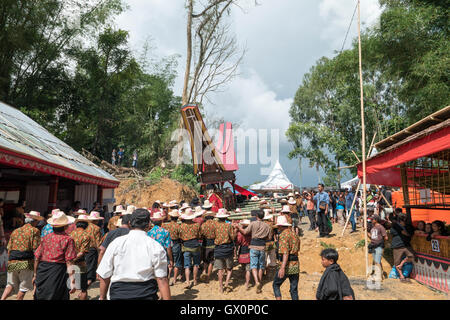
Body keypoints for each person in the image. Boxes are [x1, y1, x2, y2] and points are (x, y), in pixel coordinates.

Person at [96, 209, 170, 300]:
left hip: (118, 294)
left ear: (130, 223)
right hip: (146, 294)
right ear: (149, 225)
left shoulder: (116, 243)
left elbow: (104, 275)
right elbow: (162, 279)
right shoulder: (155, 246)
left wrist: (102, 297)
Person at [33, 211, 77, 300]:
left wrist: (35, 274)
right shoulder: (68, 239)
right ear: (66, 226)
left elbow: (37, 257)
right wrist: (72, 282)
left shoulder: (45, 238)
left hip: (43, 271)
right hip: (57, 272)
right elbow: (69, 262)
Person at [1, 211, 42, 300]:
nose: (37, 223)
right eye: (37, 221)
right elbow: (36, 247)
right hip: (26, 262)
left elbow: (9, 248)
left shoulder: (15, 231)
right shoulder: (34, 230)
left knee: (10, 285)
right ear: (34, 221)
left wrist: (10, 261)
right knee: (23, 288)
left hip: (12, 261)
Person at [235, 209, 272, 294]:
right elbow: (269, 238)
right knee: (261, 266)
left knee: (254, 266)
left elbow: (244, 232)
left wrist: (238, 227)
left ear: (256, 216)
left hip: (253, 246)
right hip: (262, 246)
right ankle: (260, 282)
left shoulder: (253, 223)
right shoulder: (267, 226)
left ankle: (256, 282)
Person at [272, 215, 301, 300]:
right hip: (295, 264)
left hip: (286, 264)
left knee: (276, 284)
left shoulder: (283, 235)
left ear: (280, 226)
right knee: (294, 289)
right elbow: (297, 249)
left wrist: (282, 268)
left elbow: (285, 253)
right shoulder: (294, 234)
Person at [69, 215, 93, 300]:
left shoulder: (70, 234)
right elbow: (82, 252)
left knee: (68, 287)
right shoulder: (86, 235)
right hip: (80, 263)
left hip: (68, 263)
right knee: (83, 289)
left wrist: (70, 261)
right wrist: (74, 259)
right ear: (86, 226)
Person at [213, 208, 236, 293]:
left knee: (220, 269)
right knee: (229, 268)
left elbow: (212, 236)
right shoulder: (229, 226)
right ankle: (226, 283)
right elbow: (233, 237)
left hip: (218, 248)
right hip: (227, 248)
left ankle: (221, 287)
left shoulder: (215, 225)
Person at [179, 208, 202, 288]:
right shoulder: (196, 225)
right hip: (195, 245)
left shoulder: (181, 226)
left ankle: (188, 281)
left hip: (186, 246)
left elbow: (180, 236)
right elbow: (199, 235)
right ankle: (195, 280)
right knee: (196, 264)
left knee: (187, 265)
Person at [163, 209, 182, 286]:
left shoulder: (165, 225)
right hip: (176, 243)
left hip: (167, 244)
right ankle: (174, 279)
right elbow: (181, 236)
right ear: (177, 218)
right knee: (176, 262)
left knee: (169, 262)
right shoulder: (178, 226)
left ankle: (168, 277)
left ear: (171, 217)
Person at [85, 211, 103, 288]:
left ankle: (83, 279)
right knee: (91, 265)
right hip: (92, 248)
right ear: (96, 220)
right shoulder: (97, 228)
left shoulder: (85, 226)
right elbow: (98, 241)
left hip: (84, 247)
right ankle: (89, 280)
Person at [368, 215, 388, 282]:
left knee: (377, 261)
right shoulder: (373, 228)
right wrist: (367, 233)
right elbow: (372, 237)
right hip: (373, 246)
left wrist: (381, 243)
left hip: (379, 246)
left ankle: (378, 276)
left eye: (372, 219)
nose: (371, 220)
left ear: (376, 220)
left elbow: (385, 237)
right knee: (377, 261)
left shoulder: (381, 227)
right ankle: (380, 275)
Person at [199, 208, 216, 283]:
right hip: (213, 244)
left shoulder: (203, 225)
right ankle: (208, 275)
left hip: (205, 244)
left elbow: (200, 235)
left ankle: (204, 272)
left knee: (205, 261)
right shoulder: (216, 224)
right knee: (211, 261)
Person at [236, 219, 252, 290]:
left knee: (243, 266)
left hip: (242, 249)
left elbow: (238, 242)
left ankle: (243, 278)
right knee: (248, 268)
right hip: (250, 249)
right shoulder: (251, 232)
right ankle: (247, 283)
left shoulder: (240, 233)